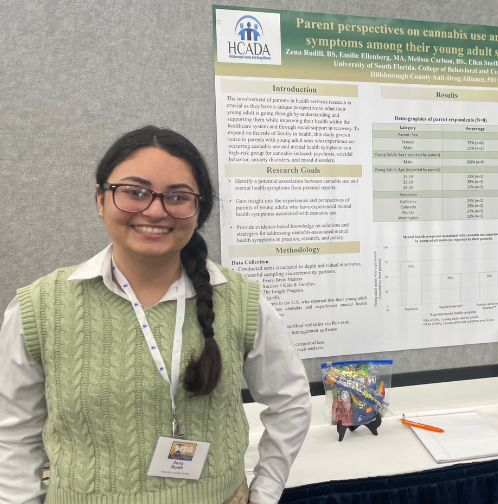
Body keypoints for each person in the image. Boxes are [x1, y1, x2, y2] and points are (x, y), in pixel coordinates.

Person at [0, 126, 312, 504]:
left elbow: (291, 399)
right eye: (134, 191)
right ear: (101, 200)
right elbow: (13, 434)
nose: (155, 210)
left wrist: (264, 493)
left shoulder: (239, 299)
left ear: (198, 211)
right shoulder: (39, 307)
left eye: (178, 196)